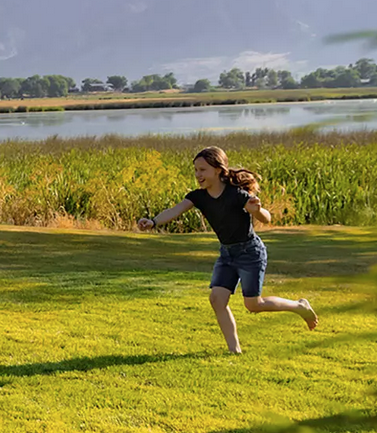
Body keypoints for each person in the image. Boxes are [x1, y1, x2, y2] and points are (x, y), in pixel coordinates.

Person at [136, 145, 318, 354]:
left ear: (217, 170)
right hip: (227, 254)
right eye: (195, 170)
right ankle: (234, 350)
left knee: (253, 305)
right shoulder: (198, 197)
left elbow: (266, 218)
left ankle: (299, 306)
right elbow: (175, 210)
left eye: (202, 170)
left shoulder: (236, 194)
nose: (198, 175)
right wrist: (153, 222)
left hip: (250, 253)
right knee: (217, 299)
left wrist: (257, 210)